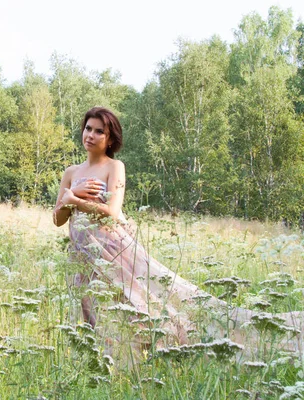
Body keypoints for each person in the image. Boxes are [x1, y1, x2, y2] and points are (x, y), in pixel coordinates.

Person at [52, 107, 303, 351]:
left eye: (99, 131)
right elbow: (58, 219)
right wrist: (71, 195)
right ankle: (98, 359)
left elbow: (112, 212)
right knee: (88, 306)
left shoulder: (113, 167)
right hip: (81, 253)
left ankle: (169, 341)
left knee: (134, 300)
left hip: (113, 250)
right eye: (88, 128)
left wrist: (75, 201)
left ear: (109, 139)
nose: (90, 135)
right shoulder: (72, 172)